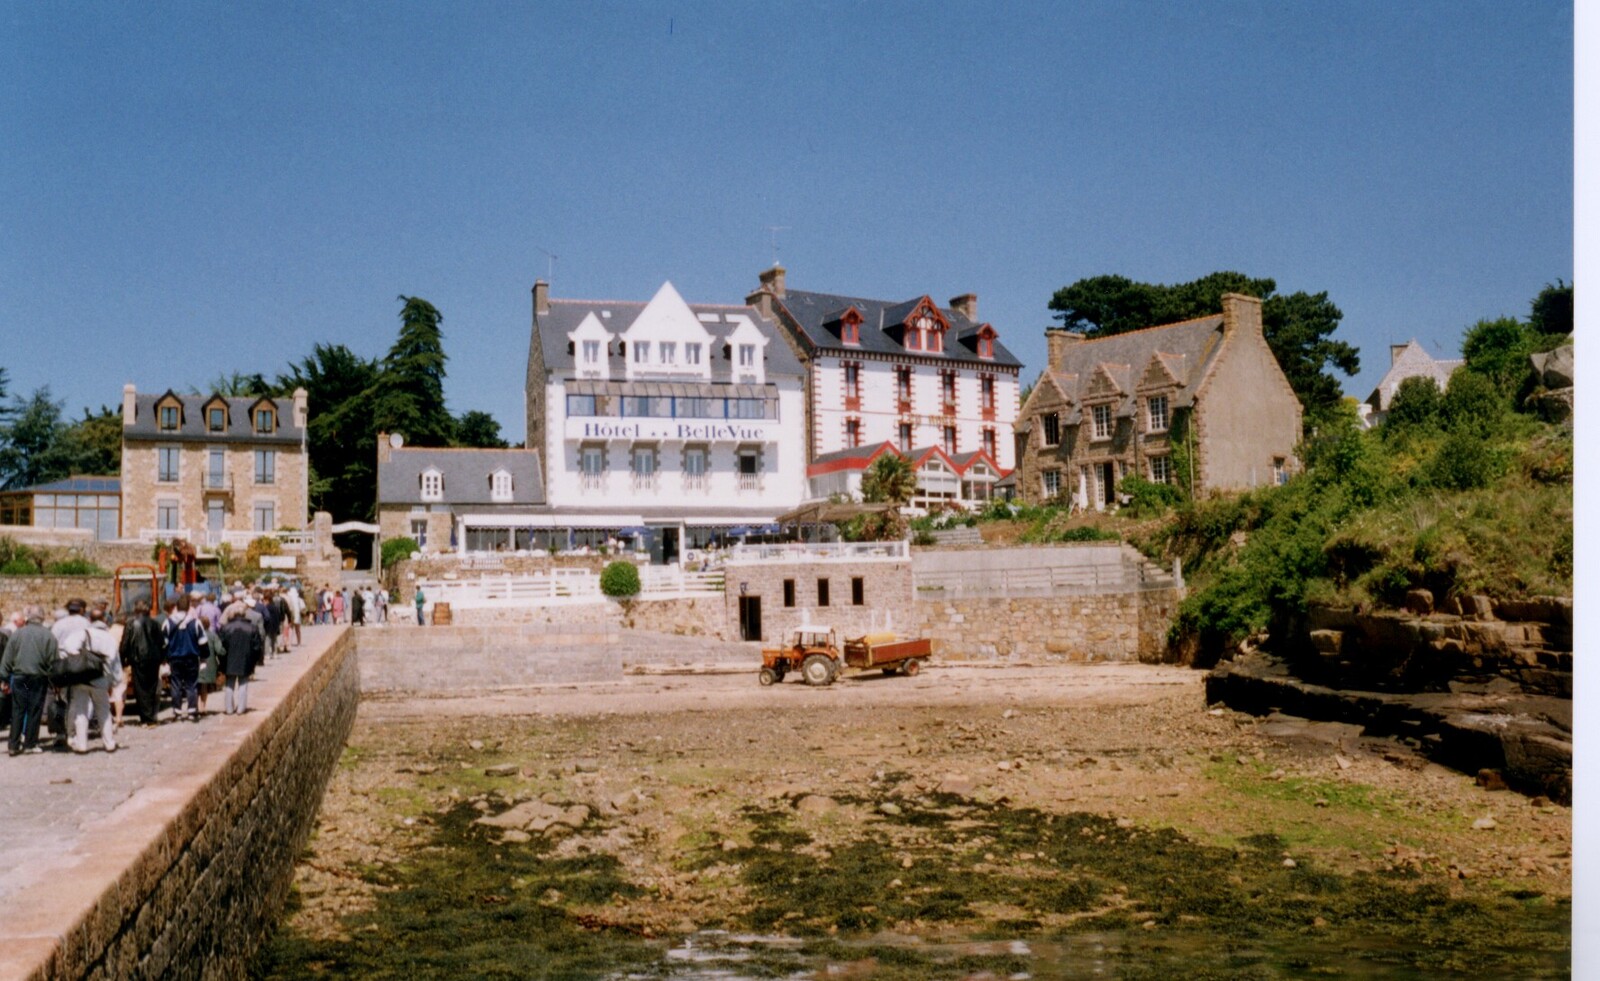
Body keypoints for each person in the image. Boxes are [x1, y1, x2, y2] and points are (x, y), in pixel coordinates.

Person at [1, 606, 57, 755]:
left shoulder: (17, 634)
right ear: (42, 618)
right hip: (38, 677)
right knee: (34, 710)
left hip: (19, 677)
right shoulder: (48, 635)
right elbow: (53, 660)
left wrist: (4, 678)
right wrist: (55, 680)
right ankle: (30, 744)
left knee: (18, 710)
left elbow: (8, 657)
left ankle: (13, 744)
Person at [66, 606, 119, 754]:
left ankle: (82, 744)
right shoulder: (109, 638)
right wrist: (113, 682)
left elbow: (69, 648)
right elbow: (115, 662)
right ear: (103, 619)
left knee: (81, 711)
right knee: (104, 710)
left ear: (89, 619)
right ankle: (109, 743)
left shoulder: (82, 634)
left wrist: (81, 660)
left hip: (82, 677)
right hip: (100, 678)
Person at [119, 600, 164, 727]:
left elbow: (125, 644)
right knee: (151, 686)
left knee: (141, 689)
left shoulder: (131, 624)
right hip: (153, 659)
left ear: (136, 610)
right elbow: (161, 642)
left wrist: (122, 660)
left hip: (138, 659)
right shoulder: (155, 623)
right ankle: (150, 716)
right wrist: (162, 658)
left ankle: (146, 717)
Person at [162, 595, 207, 723]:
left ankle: (177, 711)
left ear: (177, 607)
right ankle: (192, 711)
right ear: (188, 607)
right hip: (191, 657)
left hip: (175, 658)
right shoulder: (195, 622)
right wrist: (204, 658)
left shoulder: (168, 622)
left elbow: (164, 643)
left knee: (175, 684)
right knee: (191, 685)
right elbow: (203, 642)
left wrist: (164, 659)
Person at [217, 602, 262, 714]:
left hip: (229, 659)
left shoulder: (225, 628)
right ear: (244, 615)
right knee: (243, 684)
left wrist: (222, 660)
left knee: (229, 684)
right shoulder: (252, 628)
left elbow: (220, 646)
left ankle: (229, 708)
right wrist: (254, 660)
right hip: (246, 659)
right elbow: (257, 647)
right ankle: (241, 708)